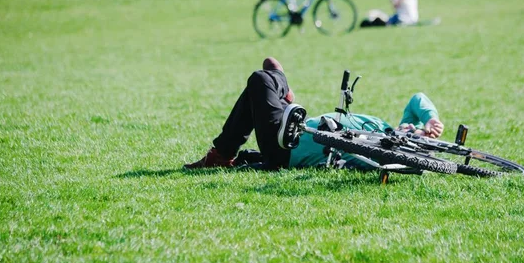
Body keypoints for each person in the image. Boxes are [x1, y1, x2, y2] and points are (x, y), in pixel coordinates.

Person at [184, 58, 444, 171]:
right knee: (259, 84)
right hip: (291, 124)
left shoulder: (382, 149)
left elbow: (384, 164)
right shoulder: (389, 127)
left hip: (285, 147)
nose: (411, 129)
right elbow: (417, 98)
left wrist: (413, 147)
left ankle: (281, 87)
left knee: (262, 78)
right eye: (411, 127)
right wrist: (431, 119)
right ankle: (221, 154)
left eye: (415, 133)